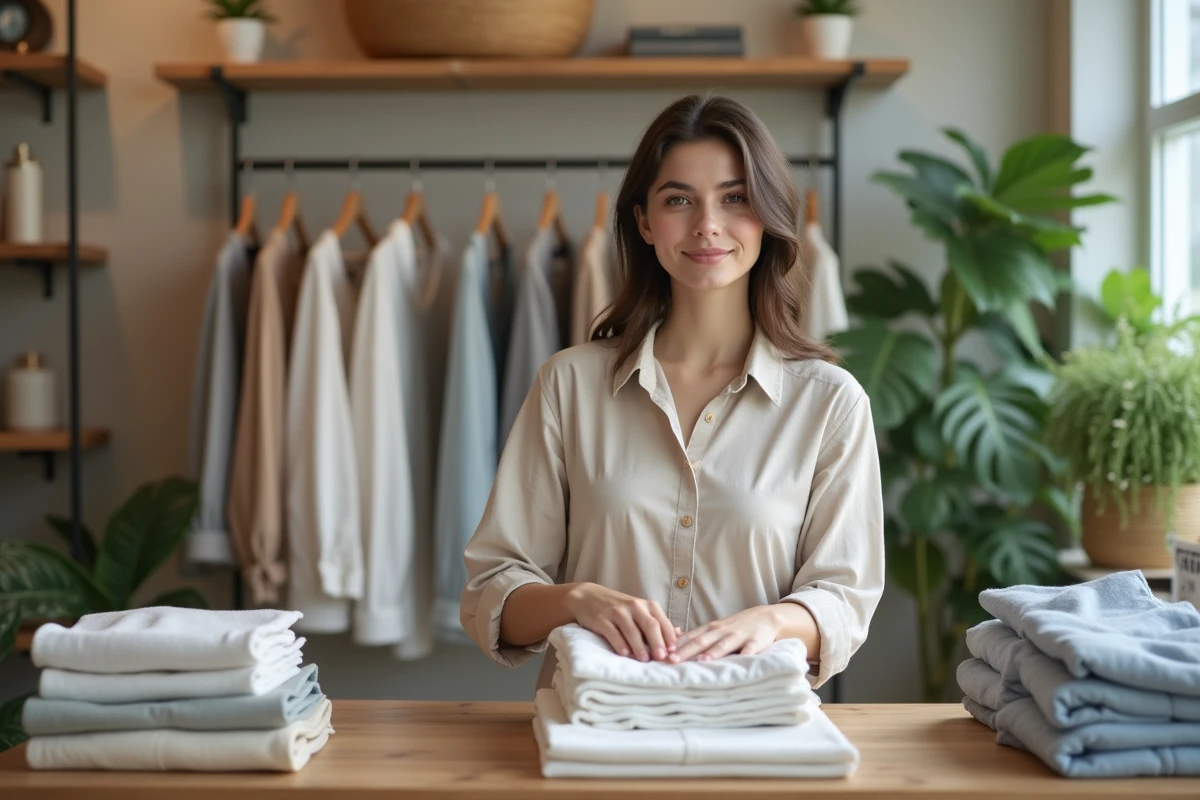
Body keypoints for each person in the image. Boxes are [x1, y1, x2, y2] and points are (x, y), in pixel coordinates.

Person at [459, 94, 884, 694]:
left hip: (755, 735)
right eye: (679, 200)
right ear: (644, 221)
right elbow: (491, 590)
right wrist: (577, 599)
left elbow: (845, 599)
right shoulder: (569, 385)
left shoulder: (830, 403)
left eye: (735, 198)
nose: (707, 224)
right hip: (596, 735)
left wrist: (772, 621)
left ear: (767, 215)